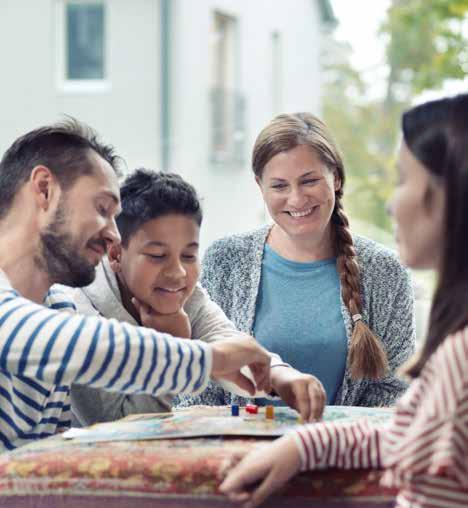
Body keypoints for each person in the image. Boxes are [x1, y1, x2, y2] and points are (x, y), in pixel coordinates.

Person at [149, 94, 468, 508]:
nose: (393, 200)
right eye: (279, 185)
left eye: (403, 180)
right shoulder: (455, 353)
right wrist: (303, 442)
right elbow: (407, 430)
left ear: (444, 200)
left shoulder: (455, 358)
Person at [0, 119, 273, 452]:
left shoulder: (58, 305)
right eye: (102, 208)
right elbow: (46, 336)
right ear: (44, 189)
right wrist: (205, 358)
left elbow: (44, 459)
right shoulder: (50, 323)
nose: (114, 234)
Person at [187, 112, 415, 410]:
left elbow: (394, 389)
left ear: (336, 178)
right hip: (241, 451)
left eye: (309, 181)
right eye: (279, 186)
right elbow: (199, 386)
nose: (296, 200)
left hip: (345, 451)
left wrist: (327, 444)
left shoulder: (384, 271)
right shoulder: (225, 260)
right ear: (260, 186)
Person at [68, 169, 326, 426]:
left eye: (189, 256)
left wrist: (280, 377)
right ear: (114, 254)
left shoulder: (181, 295)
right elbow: (117, 426)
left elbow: (227, 343)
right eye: (158, 256)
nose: (178, 272)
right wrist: (173, 346)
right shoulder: (76, 312)